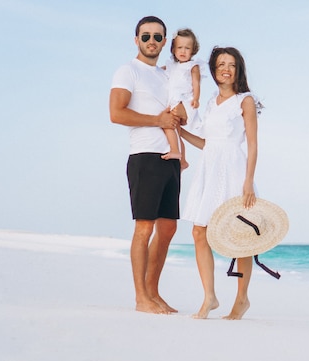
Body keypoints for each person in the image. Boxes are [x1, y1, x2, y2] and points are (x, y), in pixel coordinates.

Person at [109, 16, 186, 314]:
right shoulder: (128, 71)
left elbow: (178, 115)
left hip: (171, 160)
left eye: (157, 37)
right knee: (144, 228)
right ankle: (141, 297)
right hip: (144, 157)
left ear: (165, 41)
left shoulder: (167, 76)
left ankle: (153, 292)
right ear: (136, 40)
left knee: (167, 229)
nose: (151, 41)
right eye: (146, 36)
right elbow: (116, 113)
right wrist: (157, 120)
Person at [180, 46, 262, 320]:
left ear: (238, 70)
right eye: (220, 64)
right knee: (199, 232)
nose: (225, 68)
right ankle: (210, 298)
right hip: (209, 169)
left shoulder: (245, 100)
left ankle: (241, 299)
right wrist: (179, 131)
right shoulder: (210, 102)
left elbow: (252, 144)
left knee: (241, 238)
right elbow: (206, 143)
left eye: (231, 64)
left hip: (235, 170)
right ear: (214, 71)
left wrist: (248, 182)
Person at [161, 28, 204, 170]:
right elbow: (159, 72)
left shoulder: (192, 66)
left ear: (193, 50)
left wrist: (196, 98)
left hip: (184, 101)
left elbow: (196, 83)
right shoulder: (171, 66)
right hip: (173, 100)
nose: (183, 51)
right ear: (173, 49)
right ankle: (183, 160)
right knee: (176, 130)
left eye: (187, 48)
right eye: (179, 47)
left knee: (169, 125)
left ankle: (176, 152)